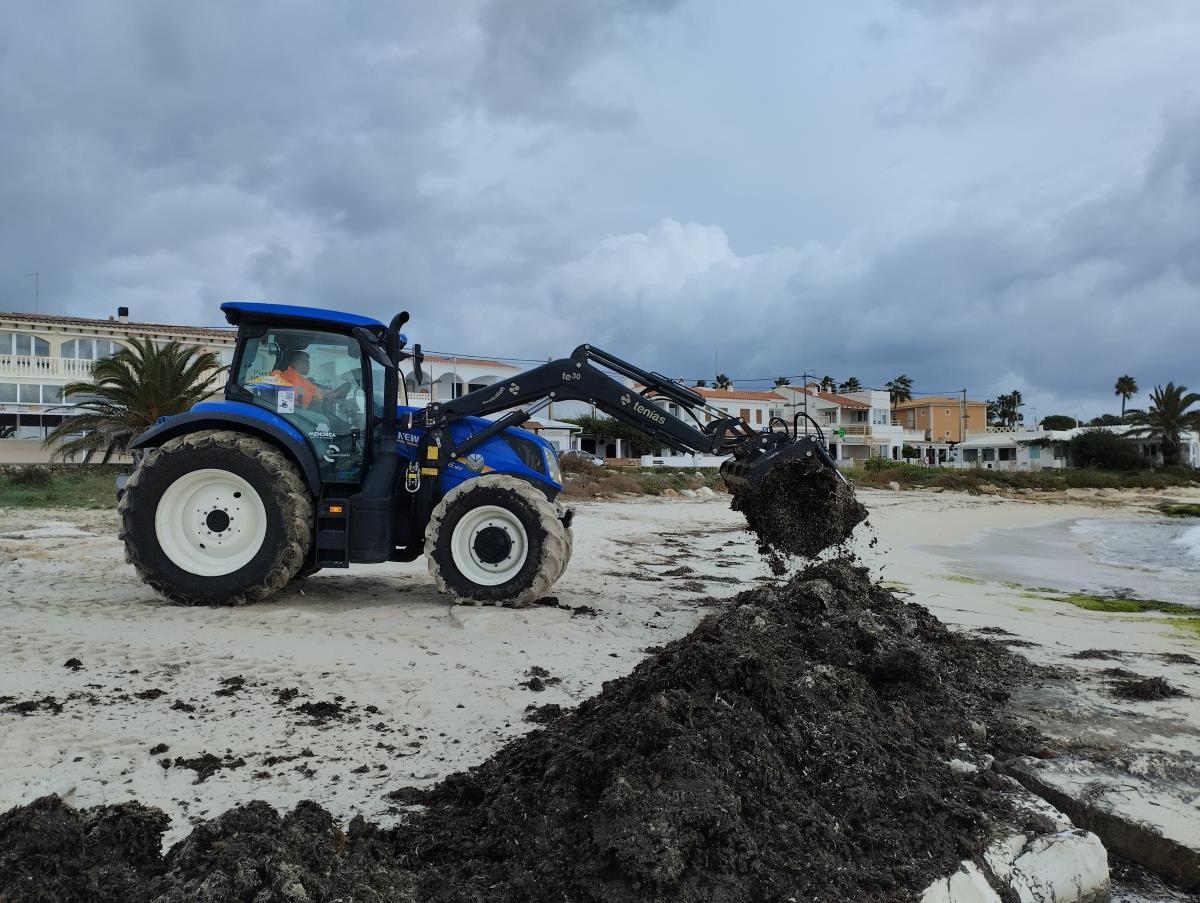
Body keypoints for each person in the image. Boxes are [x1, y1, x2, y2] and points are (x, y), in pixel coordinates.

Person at [271, 350, 349, 409]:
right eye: (306, 362)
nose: (309, 366)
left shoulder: (304, 381)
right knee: (323, 421)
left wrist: (332, 393)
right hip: (289, 414)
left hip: (299, 412)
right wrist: (313, 396)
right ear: (296, 362)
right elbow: (287, 398)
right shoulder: (280, 375)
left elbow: (317, 391)